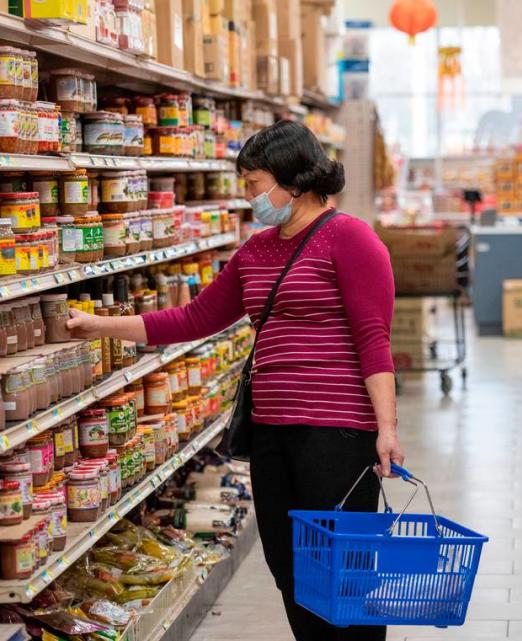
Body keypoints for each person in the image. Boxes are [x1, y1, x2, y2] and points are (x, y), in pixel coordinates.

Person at [66, 120, 402, 641]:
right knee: (288, 565)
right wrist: (99, 325)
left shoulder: (351, 239)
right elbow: (193, 319)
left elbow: (373, 339)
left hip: (337, 433)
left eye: (254, 183)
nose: (250, 196)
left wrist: (387, 428)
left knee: (344, 570)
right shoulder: (256, 250)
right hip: (270, 432)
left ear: (294, 179)